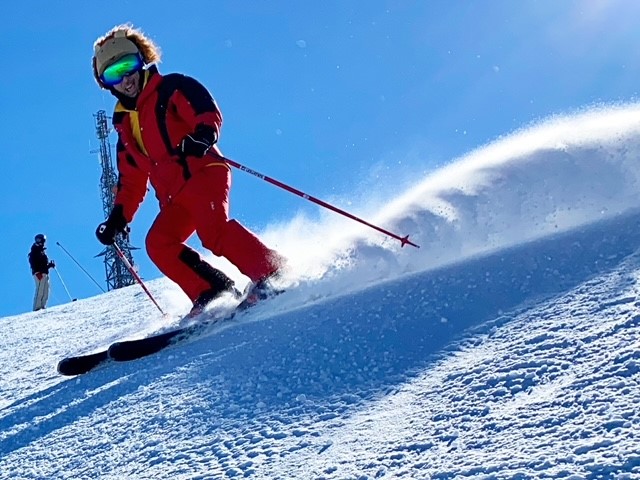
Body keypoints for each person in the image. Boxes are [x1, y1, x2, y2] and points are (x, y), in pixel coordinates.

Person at [91, 24, 284, 315]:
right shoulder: (124, 129)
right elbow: (131, 182)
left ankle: (271, 271)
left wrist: (203, 135)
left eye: (129, 66)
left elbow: (204, 109)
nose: (126, 79)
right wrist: (118, 218)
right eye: (114, 74)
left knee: (213, 231)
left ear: (142, 60)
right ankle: (211, 289)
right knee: (159, 243)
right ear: (106, 84)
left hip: (203, 173)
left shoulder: (170, 88)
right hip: (174, 197)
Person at [28, 233, 56, 311]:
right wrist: (36, 272)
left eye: (40, 240)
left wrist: (49, 265)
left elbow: (43, 264)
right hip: (39, 273)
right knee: (40, 289)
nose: (39, 242)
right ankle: (37, 307)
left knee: (46, 290)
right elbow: (32, 262)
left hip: (44, 272)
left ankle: (42, 306)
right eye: (37, 240)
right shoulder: (34, 250)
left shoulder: (42, 252)